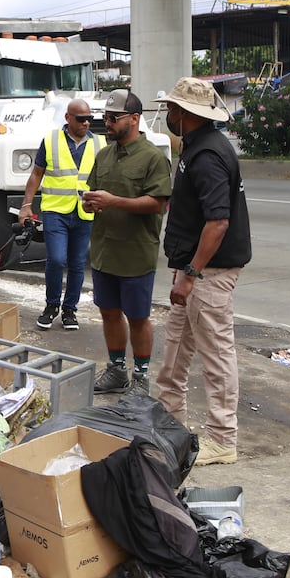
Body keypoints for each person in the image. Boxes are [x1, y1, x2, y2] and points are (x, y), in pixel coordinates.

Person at [154, 76, 252, 467]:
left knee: (216, 357)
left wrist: (192, 273)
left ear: (185, 114)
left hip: (207, 272)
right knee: (176, 350)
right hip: (193, 269)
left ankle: (222, 440)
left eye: (172, 110)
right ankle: (169, 420)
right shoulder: (196, 146)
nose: (168, 115)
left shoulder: (208, 154)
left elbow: (218, 223)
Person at [81, 89, 172, 396]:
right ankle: (117, 370)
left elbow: (157, 204)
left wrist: (114, 201)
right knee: (108, 311)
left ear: (135, 119)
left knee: (137, 316)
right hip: (105, 250)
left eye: (113, 118)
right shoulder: (104, 155)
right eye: (105, 117)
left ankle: (142, 378)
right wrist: (89, 204)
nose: (107, 123)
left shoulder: (153, 158)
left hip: (135, 253)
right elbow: (91, 197)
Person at [19, 98, 105, 331]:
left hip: (84, 212)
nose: (86, 123)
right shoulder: (51, 140)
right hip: (55, 210)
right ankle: (51, 306)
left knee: (77, 263)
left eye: (90, 119)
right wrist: (26, 205)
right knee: (57, 259)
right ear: (68, 118)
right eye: (81, 119)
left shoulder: (100, 144)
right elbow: (36, 174)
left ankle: (70, 310)